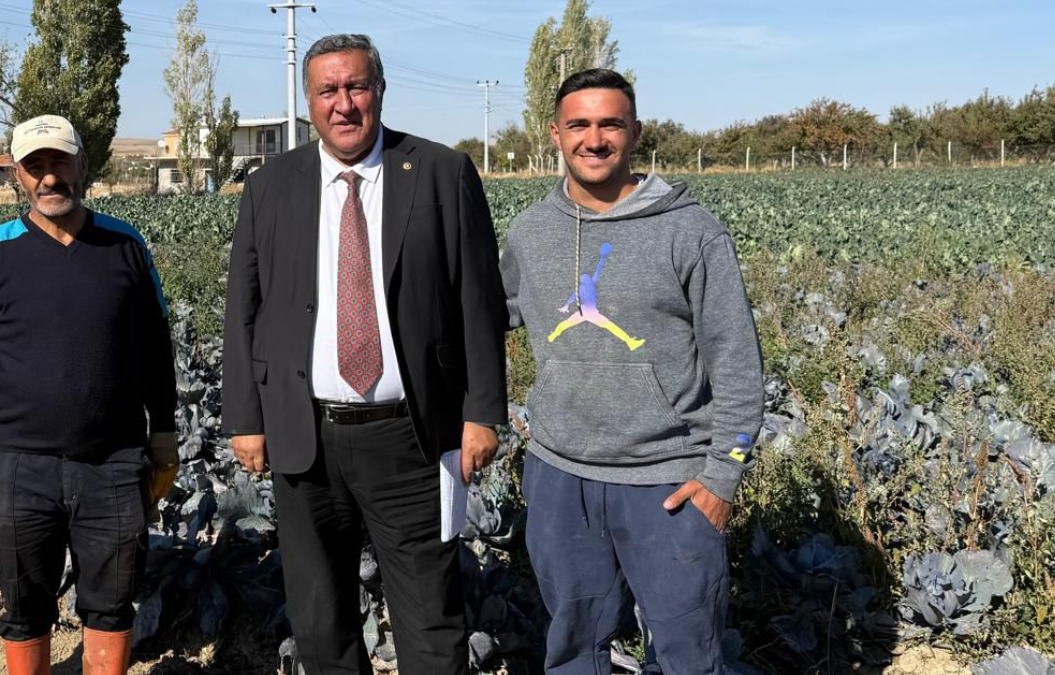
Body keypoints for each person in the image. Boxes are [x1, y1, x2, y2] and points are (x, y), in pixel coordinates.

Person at [221, 33, 508, 675]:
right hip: (305, 438)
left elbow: (479, 302)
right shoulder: (271, 185)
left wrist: (483, 410)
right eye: (328, 90)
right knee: (321, 623)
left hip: (410, 437)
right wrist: (245, 418)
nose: (344, 103)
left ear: (379, 89)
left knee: (432, 619)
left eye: (356, 86)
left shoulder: (439, 170)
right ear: (309, 101)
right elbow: (244, 306)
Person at [499, 68, 764, 675]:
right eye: (579, 125)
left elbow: (738, 361)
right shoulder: (532, 230)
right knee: (573, 649)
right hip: (560, 478)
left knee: (688, 655)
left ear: (635, 131)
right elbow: (483, 317)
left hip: (667, 484)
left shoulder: (690, 230)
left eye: (610, 124)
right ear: (555, 134)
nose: (594, 139)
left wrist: (724, 477)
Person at [0, 114, 179, 675]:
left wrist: (164, 435)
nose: (49, 178)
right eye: (35, 167)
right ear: (18, 177)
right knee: (25, 607)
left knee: (112, 602)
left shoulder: (126, 247)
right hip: (21, 464)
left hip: (115, 462)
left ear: (83, 167)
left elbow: (156, 348)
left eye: (60, 162)